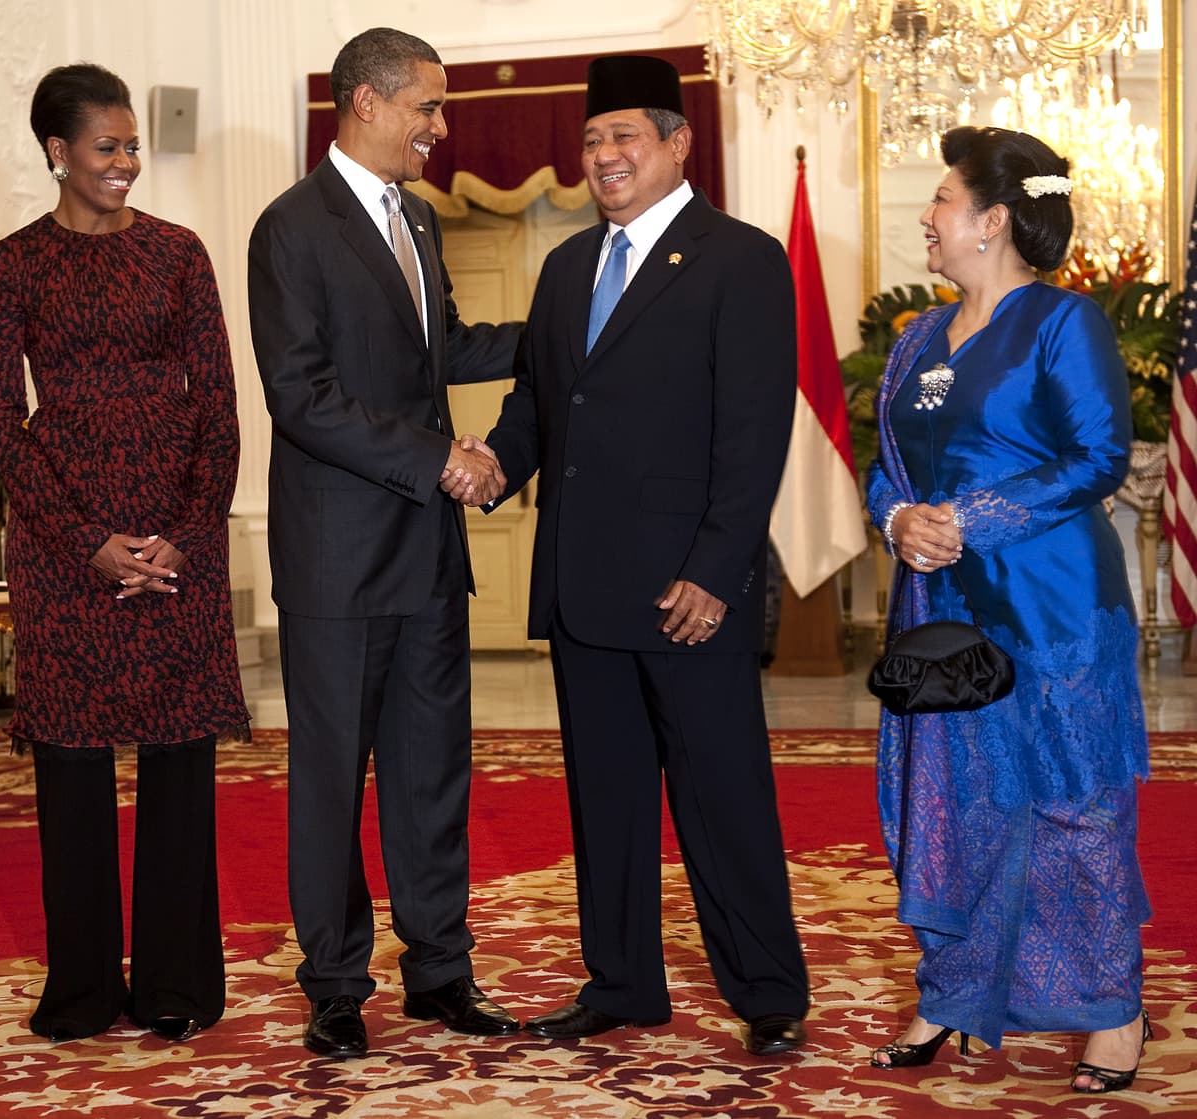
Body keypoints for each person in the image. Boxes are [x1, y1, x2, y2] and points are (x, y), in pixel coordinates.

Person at [449, 54, 810, 1057]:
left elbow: (751, 436)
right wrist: (488, 465)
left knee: (720, 793)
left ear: (676, 143)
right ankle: (620, 983)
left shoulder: (739, 259)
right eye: (592, 140)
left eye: (624, 138)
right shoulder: (567, 267)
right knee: (603, 801)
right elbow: (537, 405)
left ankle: (767, 988)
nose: (603, 157)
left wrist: (716, 570)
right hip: (580, 589)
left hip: (684, 593)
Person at [246, 27, 523, 1060]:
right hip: (336, 560)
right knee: (330, 778)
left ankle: (439, 973)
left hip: (424, 554)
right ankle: (332, 985)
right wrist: (438, 459)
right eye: (427, 108)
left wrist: (569, 326)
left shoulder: (417, 216)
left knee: (429, 774)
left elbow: (442, 348)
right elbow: (300, 397)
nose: (439, 131)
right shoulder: (290, 229)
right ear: (363, 102)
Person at [865, 126, 1151, 1094]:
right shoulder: (912, 341)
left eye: (940, 201)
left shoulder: (1064, 326)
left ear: (990, 222)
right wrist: (901, 518)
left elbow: (1094, 459)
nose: (926, 218)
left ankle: (1109, 1011)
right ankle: (945, 994)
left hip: (1050, 606)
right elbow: (886, 473)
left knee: (1074, 806)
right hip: (937, 607)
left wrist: (970, 520)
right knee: (946, 805)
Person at [0, 62, 250, 1044]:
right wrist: (88, 544)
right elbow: (3, 425)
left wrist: (185, 530)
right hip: (62, 548)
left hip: (176, 538)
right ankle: (83, 991)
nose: (128, 162)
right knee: (73, 775)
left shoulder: (180, 253)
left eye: (133, 145)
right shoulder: (9, 265)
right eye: (108, 146)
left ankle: (177, 986)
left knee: (179, 769)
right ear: (58, 152)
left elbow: (218, 408)